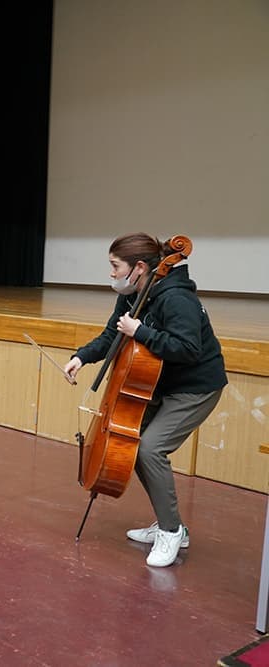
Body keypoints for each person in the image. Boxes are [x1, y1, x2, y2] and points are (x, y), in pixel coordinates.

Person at [63, 233, 227, 568]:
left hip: (195, 387)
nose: (111, 273)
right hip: (158, 385)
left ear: (138, 267)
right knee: (131, 443)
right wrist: (82, 357)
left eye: (115, 266)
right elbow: (112, 335)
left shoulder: (177, 298)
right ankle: (170, 523)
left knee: (151, 449)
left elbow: (188, 348)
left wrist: (141, 332)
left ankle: (171, 532)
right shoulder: (132, 296)